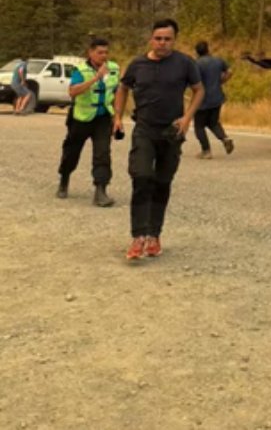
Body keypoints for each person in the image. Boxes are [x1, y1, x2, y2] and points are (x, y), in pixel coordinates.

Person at [113, 18, 203, 262]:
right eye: (158, 38)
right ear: (151, 39)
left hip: (171, 132)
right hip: (144, 129)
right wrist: (118, 117)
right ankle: (138, 236)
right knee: (141, 177)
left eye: (168, 39)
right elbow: (123, 88)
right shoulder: (138, 64)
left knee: (163, 181)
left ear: (174, 40)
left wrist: (187, 119)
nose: (162, 43)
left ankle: (154, 235)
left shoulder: (185, 63)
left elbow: (199, 90)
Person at [57, 37, 120, 206]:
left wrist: (117, 117)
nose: (104, 56)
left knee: (102, 154)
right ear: (90, 53)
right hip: (81, 118)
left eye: (106, 52)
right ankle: (64, 179)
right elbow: (73, 92)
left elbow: (117, 92)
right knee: (71, 152)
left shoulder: (114, 68)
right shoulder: (80, 69)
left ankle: (101, 191)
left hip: (103, 118)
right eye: (100, 52)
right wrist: (96, 78)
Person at [193, 40, 235, 159]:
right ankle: (225, 138)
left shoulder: (196, 64)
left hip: (202, 100)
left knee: (199, 126)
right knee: (213, 122)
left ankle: (206, 151)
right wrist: (221, 81)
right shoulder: (218, 60)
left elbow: (194, 81)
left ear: (196, 52)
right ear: (208, 49)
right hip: (217, 97)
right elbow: (230, 71)